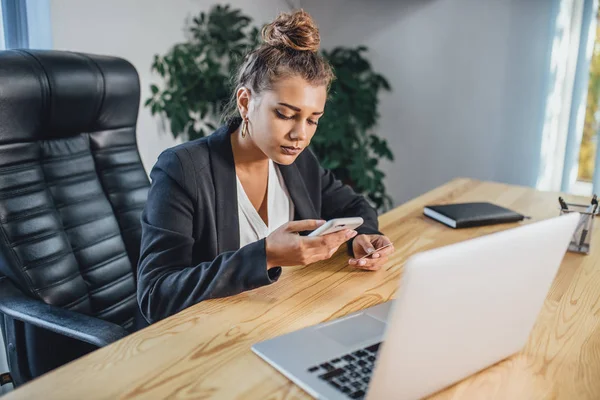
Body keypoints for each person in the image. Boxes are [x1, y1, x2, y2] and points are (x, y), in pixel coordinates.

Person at [137, 10, 394, 324]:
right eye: (285, 115)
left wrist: (361, 238)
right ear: (245, 103)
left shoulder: (298, 163)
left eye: (313, 120)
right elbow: (155, 295)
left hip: (277, 320)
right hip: (204, 341)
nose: (300, 134)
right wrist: (266, 255)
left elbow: (355, 206)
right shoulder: (182, 170)